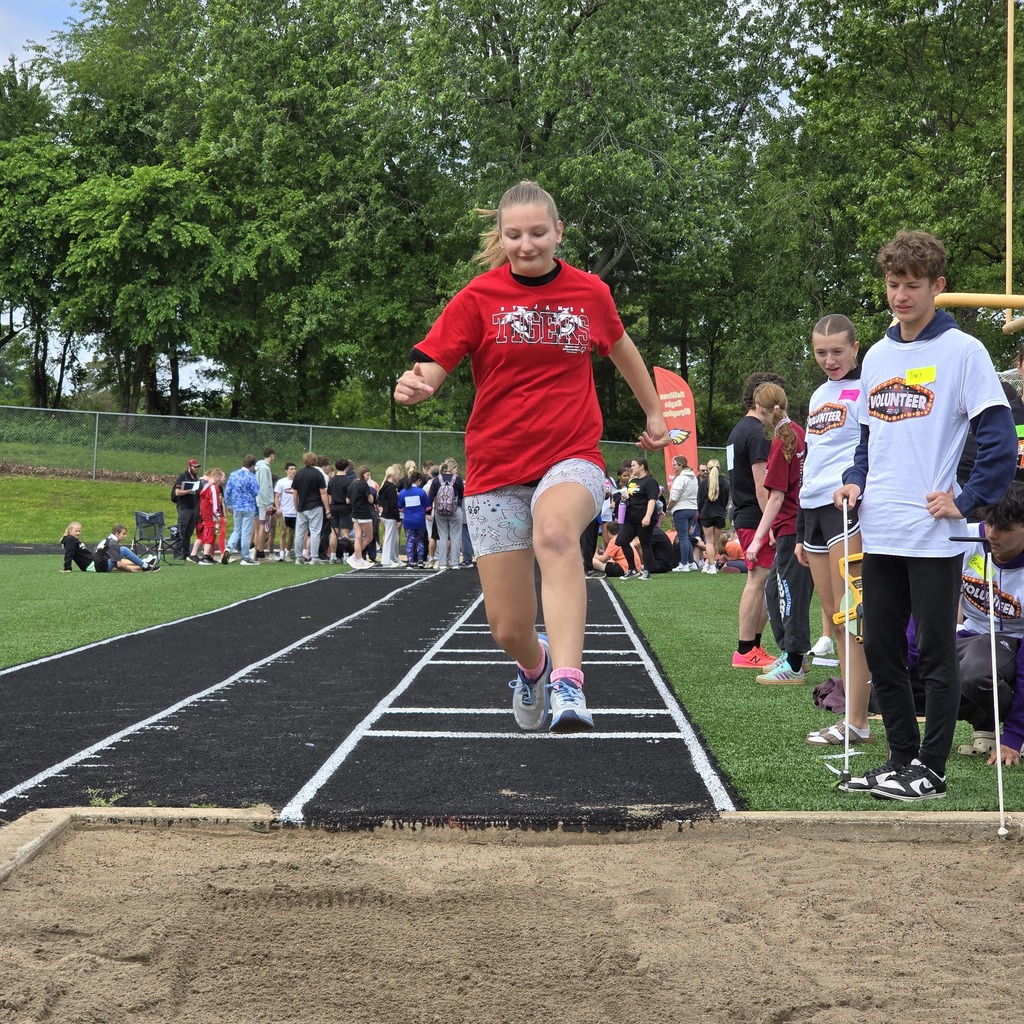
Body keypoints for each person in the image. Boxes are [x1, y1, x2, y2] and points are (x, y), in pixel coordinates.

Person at [394, 179, 671, 732]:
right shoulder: (478, 298)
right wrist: (420, 384)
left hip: (571, 456)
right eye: (515, 235)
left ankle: (569, 683)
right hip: (496, 469)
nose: (527, 244)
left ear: (558, 232)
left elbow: (620, 347)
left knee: (555, 531)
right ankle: (536, 663)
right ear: (501, 236)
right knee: (508, 627)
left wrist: (656, 412)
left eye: (538, 233)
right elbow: (435, 362)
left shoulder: (590, 293)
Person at [835, 230, 1016, 801]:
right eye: (893, 284)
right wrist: (854, 480)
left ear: (937, 286)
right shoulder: (879, 355)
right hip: (880, 528)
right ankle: (899, 761)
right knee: (884, 648)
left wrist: (965, 502)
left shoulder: (965, 352)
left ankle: (931, 770)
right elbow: (868, 439)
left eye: (912, 285)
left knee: (937, 655)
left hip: (933, 536)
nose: (900, 296)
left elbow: (1000, 441)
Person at [796, 314, 874, 746]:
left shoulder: (867, 388)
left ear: (856, 348)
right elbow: (813, 455)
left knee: (854, 615)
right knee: (836, 618)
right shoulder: (817, 394)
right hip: (814, 513)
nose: (829, 360)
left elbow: (868, 448)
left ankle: (858, 720)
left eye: (837, 351)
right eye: (821, 352)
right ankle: (850, 711)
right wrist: (800, 519)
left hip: (846, 507)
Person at [939, 482, 1024, 767]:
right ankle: (985, 723)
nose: (992, 533)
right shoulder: (966, 539)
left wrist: (1015, 734)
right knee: (897, 669)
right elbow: (926, 607)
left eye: (1004, 528)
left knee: (975, 670)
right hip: (970, 635)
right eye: (989, 522)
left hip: (1014, 648)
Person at [744, 382, 814, 684]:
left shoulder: (783, 440)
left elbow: (775, 496)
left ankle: (795, 660)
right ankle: (791, 653)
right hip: (795, 525)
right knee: (775, 591)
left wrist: (759, 537)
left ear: (761, 408)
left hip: (792, 527)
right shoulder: (797, 433)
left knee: (788, 594)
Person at [729, 372, 787, 667]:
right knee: (758, 579)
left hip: (744, 514)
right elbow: (762, 487)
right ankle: (745, 649)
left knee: (762, 580)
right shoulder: (757, 435)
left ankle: (752, 647)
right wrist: (771, 526)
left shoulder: (739, 430)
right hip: (754, 516)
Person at [618, 458, 661, 581]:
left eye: (633, 465)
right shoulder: (633, 481)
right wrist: (624, 498)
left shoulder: (650, 481)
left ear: (642, 466)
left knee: (645, 543)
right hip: (631, 518)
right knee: (622, 540)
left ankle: (647, 571)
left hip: (644, 517)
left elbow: (652, 500)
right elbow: (631, 496)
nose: (631, 468)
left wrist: (647, 516)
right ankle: (632, 569)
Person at [291, 452, 330, 565]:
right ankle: (314, 557)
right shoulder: (318, 474)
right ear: (315, 461)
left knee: (299, 532)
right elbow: (323, 492)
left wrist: (296, 507)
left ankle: (299, 557)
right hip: (315, 506)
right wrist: (327, 508)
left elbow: (295, 493)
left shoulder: (299, 474)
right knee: (315, 532)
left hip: (302, 506)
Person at [428, 457, 465, 569]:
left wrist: (429, 512)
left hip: (440, 511)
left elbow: (430, 497)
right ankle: (454, 563)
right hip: (455, 510)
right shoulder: (457, 479)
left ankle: (442, 562)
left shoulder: (436, 479)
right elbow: (462, 495)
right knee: (455, 537)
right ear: (453, 467)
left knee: (442, 537)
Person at [224, 455, 261, 565]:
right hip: (248, 507)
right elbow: (255, 492)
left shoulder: (234, 474)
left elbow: (227, 491)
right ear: (252, 465)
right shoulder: (251, 476)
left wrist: (229, 505)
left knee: (237, 530)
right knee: (246, 532)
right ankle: (245, 556)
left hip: (236, 506)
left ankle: (229, 547)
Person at [697, 458, 730, 575]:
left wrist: (700, 512)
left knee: (709, 542)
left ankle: (711, 565)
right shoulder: (725, 483)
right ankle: (710, 563)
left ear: (708, 469)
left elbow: (700, 500)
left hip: (706, 514)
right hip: (720, 514)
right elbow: (726, 500)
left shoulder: (704, 482)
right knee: (716, 542)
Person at [666, 455, 699, 571]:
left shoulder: (680, 478)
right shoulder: (693, 477)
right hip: (692, 509)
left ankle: (684, 563)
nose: (673, 467)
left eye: (674, 465)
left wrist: (668, 507)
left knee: (683, 537)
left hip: (681, 509)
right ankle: (691, 562)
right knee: (687, 536)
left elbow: (674, 497)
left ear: (681, 465)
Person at [346, 465, 378, 569]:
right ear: (362, 474)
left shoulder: (352, 484)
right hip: (364, 513)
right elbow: (371, 500)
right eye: (367, 474)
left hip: (355, 512)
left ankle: (358, 558)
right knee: (369, 537)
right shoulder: (364, 484)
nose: (369, 477)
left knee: (358, 536)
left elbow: (347, 500)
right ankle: (355, 556)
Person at [398, 471, 431, 567]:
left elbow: (400, 507)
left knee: (410, 540)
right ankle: (420, 560)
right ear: (418, 480)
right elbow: (428, 507)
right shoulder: (421, 492)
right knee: (420, 540)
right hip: (420, 520)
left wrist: (406, 510)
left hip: (408, 520)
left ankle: (410, 561)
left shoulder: (403, 492)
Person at [194, 468, 226, 565]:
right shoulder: (213, 487)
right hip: (210, 513)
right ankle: (206, 556)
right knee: (210, 533)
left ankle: (207, 555)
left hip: (205, 512)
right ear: (217, 476)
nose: (221, 480)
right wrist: (217, 514)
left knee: (209, 532)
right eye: (221, 477)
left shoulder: (207, 486)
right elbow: (215, 502)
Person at [172, 459, 202, 558]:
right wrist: (189, 490)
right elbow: (177, 492)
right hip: (184, 507)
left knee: (189, 532)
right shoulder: (183, 477)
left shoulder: (196, 479)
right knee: (181, 530)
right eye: (195, 467)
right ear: (189, 467)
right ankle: (177, 553)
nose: (197, 468)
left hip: (193, 508)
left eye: (198, 467)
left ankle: (185, 553)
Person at [252, 448, 276, 560]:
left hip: (260, 500)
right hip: (263, 501)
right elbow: (265, 486)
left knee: (261, 526)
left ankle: (258, 550)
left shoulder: (261, 467)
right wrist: (268, 503)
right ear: (271, 455)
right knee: (263, 525)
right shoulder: (264, 468)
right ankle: (259, 551)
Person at [378, 464, 403, 567]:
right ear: (393, 476)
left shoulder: (384, 486)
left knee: (392, 537)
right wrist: (397, 519)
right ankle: (386, 560)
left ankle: (392, 558)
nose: (399, 477)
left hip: (385, 515)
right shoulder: (392, 487)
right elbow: (393, 504)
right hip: (390, 516)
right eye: (397, 475)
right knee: (389, 538)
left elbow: (379, 500)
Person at [274, 462, 297, 559]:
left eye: (294, 469)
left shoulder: (298, 481)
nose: (293, 471)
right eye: (291, 469)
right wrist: (278, 508)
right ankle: (281, 553)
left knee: (291, 534)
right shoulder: (281, 482)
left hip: (294, 512)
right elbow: (277, 496)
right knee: (283, 532)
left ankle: (288, 552)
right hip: (284, 511)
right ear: (286, 471)